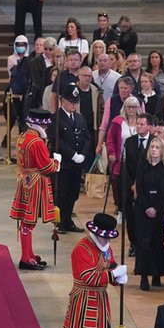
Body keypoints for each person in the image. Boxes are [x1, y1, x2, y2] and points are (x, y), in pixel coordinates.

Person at [62, 213, 125, 328]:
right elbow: (89, 277)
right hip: (83, 300)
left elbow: (110, 267)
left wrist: (118, 277)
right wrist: (113, 276)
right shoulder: (82, 249)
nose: (107, 239)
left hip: (98, 301)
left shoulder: (106, 248)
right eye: (105, 236)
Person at [10, 109, 60, 270]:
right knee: (28, 222)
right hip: (35, 184)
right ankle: (25, 258)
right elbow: (46, 167)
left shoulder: (23, 136)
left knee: (27, 220)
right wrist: (56, 162)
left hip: (25, 180)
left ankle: (29, 254)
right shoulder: (37, 142)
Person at [133, 137, 164, 290]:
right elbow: (140, 187)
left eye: (157, 147)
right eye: (152, 146)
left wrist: (156, 208)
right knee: (144, 243)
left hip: (160, 210)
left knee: (158, 242)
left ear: (162, 150)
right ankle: (144, 275)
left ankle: (157, 274)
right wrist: (147, 207)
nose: (154, 149)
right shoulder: (142, 165)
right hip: (143, 209)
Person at [54, 82, 92, 233]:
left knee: (73, 193)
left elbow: (87, 137)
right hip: (64, 163)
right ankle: (60, 222)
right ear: (63, 100)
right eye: (71, 102)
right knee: (62, 194)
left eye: (75, 102)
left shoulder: (79, 117)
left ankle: (68, 219)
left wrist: (83, 154)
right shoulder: (56, 117)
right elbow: (58, 140)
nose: (73, 105)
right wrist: (72, 154)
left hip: (76, 165)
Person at [104, 96, 141, 212]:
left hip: (137, 159)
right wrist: (112, 153)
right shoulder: (117, 121)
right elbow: (110, 139)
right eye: (129, 107)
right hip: (121, 159)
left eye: (134, 107)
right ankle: (120, 209)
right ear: (124, 108)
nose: (131, 110)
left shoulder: (142, 121)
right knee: (120, 185)